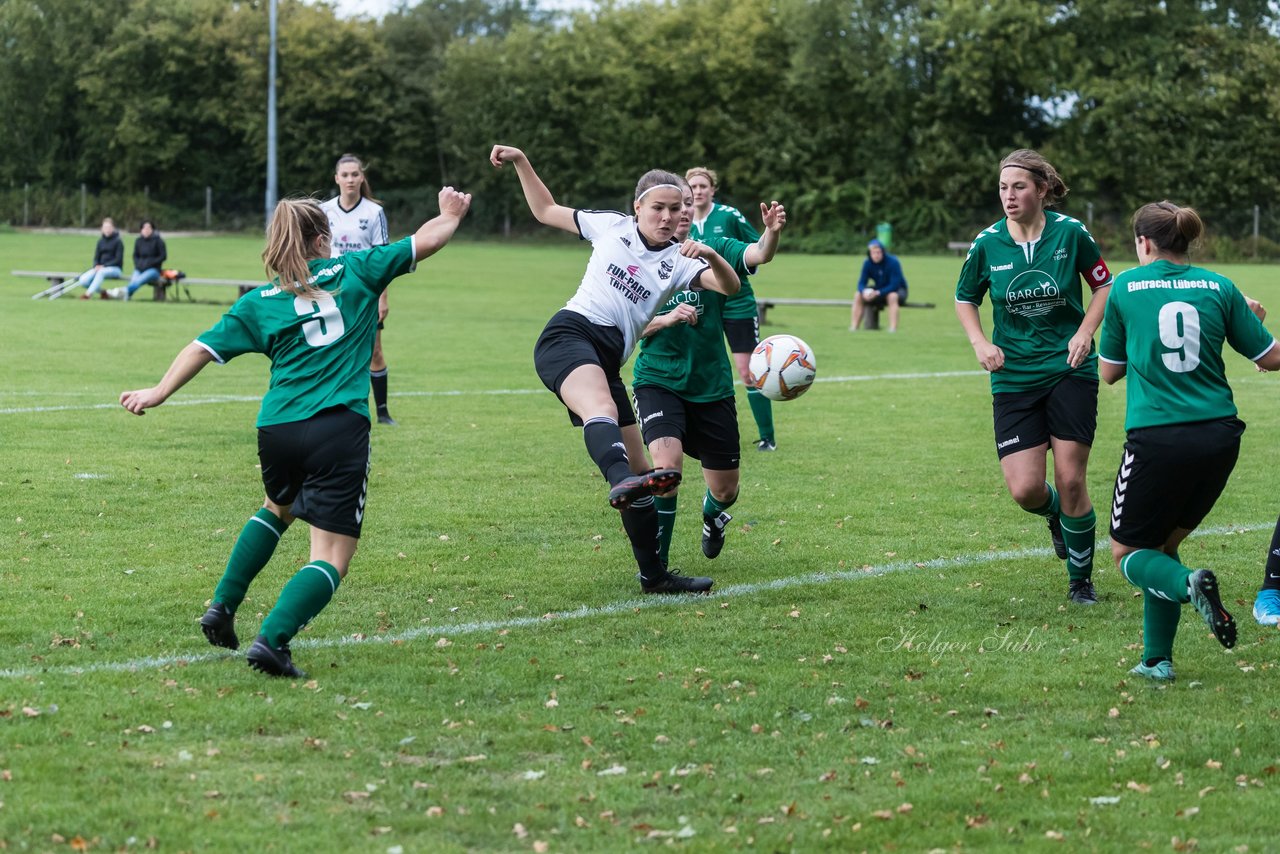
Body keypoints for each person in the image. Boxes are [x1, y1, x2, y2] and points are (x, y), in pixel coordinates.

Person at [119, 187, 472, 677]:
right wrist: (450, 214)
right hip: (336, 428)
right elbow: (429, 240)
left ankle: (222, 606)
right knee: (331, 556)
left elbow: (201, 347)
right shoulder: (357, 269)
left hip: (277, 428)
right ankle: (272, 640)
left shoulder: (260, 299)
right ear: (323, 239)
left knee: (277, 508)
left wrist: (159, 391)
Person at [490, 145, 740, 594]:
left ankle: (654, 576)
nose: (667, 217)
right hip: (569, 336)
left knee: (645, 479)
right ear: (638, 207)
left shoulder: (681, 262)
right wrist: (523, 161)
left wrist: (712, 255)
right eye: (658, 208)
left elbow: (730, 284)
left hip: (607, 359)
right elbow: (546, 210)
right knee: (602, 411)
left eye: (676, 209)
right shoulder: (611, 226)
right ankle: (618, 477)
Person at [1098, 201, 1280, 680]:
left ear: (1144, 242)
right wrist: (1249, 315)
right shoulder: (1220, 287)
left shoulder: (1123, 288)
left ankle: (1188, 586)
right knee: (1159, 543)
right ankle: (1157, 660)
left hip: (1158, 439)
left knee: (1128, 552)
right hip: (1220, 438)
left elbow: (1109, 373)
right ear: (1186, 240)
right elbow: (1271, 355)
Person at [954, 149, 1114, 605]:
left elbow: (1104, 284)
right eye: (1003, 187)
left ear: (1042, 190)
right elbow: (965, 297)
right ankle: (1054, 517)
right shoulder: (987, 244)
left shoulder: (1070, 233)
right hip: (1014, 376)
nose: (1009, 195)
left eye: (1019, 186)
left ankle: (1080, 581)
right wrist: (981, 344)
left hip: (1069, 370)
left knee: (1071, 480)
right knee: (1026, 489)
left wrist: (1085, 332)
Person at [634, 186, 787, 570]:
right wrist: (667, 318)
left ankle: (713, 515)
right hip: (658, 380)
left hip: (710, 386)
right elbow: (624, 327)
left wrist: (771, 232)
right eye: (674, 205)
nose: (682, 211)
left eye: (687, 204)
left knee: (726, 489)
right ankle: (657, 569)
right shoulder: (636, 258)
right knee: (665, 473)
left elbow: (759, 254)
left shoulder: (714, 246)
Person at [686, 167, 777, 452]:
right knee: (697, 368)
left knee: (748, 371)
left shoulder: (728, 215)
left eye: (703, 186)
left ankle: (767, 437)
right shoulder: (680, 220)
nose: (698, 191)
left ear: (713, 189)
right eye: (693, 187)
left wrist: (770, 231)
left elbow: (756, 249)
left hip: (736, 302)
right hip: (702, 303)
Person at [321, 154, 396, 425]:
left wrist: (382, 299)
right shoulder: (324, 210)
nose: (350, 179)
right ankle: (330, 407)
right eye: (345, 175)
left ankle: (384, 413)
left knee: (374, 351)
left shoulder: (373, 212)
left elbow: (383, 259)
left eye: (355, 174)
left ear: (362, 177)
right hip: (332, 291)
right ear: (337, 179)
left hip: (366, 292)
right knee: (331, 348)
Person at [850, 238, 908, 332]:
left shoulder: (893, 262)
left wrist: (878, 292)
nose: (876, 255)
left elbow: (894, 285)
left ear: (883, 252)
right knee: (858, 295)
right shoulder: (867, 263)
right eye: (873, 253)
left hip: (898, 290)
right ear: (870, 253)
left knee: (892, 296)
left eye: (878, 252)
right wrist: (863, 291)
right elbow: (861, 282)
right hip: (880, 289)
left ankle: (893, 329)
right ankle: (854, 327)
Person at [66, 217, 123, 299]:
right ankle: (103, 292)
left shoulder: (118, 242)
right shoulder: (100, 242)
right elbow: (96, 257)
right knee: (83, 280)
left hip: (115, 269)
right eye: (105, 227)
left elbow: (118, 259)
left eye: (109, 227)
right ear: (102, 229)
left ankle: (87, 295)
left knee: (101, 272)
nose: (107, 229)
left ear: (113, 228)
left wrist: (104, 266)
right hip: (99, 268)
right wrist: (96, 265)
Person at [122, 220, 167, 300]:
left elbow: (163, 256)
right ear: (141, 230)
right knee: (133, 281)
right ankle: (126, 295)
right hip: (140, 268)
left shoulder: (159, 241)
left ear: (152, 229)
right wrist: (138, 264)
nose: (146, 230)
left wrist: (151, 263)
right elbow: (135, 255)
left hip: (153, 270)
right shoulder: (138, 241)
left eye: (148, 228)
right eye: (144, 228)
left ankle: (121, 292)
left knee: (139, 280)